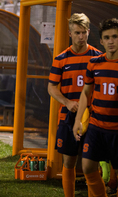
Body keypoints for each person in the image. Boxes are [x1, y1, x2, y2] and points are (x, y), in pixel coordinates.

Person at [48, 13, 102, 196]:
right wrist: (67, 102)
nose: (81, 36)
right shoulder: (61, 58)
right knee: (69, 163)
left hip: (93, 117)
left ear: (88, 32)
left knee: (91, 164)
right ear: (70, 33)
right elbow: (51, 87)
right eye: (77, 32)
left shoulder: (98, 58)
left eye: (84, 32)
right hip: (68, 116)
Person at [73, 18, 118, 197]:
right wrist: (78, 120)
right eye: (107, 37)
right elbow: (85, 93)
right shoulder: (94, 63)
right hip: (96, 127)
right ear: (101, 41)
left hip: (116, 130)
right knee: (88, 167)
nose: (111, 41)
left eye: (115, 36)